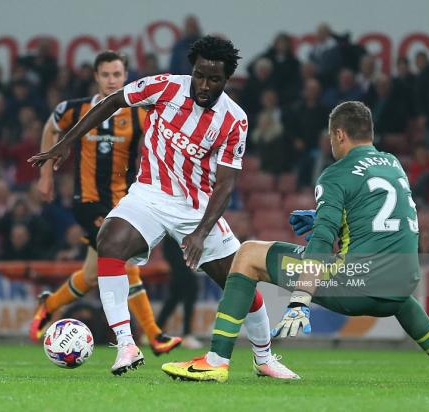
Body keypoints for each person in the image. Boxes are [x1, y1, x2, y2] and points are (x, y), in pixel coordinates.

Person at [29, 36, 297, 379]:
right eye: (199, 75)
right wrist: (64, 144)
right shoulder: (165, 87)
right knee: (109, 242)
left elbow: (226, 184)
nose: (204, 85)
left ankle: (264, 358)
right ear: (192, 70)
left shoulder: (235, 120)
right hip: (149, 195)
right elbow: (112, 102)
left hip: (197, 207)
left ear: (226, 79)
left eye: (214, 79)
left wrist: (201, 232)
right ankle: (126, 344)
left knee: (241, 280)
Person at [161, 101, 429, 385]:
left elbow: (323, 241)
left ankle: (216, 361)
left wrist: (300, 300)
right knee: (395, 286)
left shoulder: (336, 174)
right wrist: (328, 216)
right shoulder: (393, 164)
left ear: (339, 134)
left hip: (357, 284)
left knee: (248, 254)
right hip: (403, 283)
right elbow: (383, 220)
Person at [28, 51, 182, 357]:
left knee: (90, 276)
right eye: (106, 75)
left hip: (124, 203)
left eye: (117, 75)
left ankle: (49, 304)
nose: (112, 80)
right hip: (88, 203)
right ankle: (155, 335)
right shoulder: (76, 109)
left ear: (126, 77)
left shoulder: (138, 112)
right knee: (125, 264)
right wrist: (46, 176)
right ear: (96, 77)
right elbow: (51, 125)